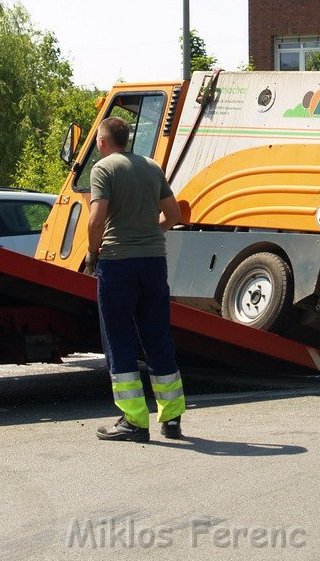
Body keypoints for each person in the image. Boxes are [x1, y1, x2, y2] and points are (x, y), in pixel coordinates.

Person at [87, 116, 186, 442]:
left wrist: (94, 252)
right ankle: (171, 420)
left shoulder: (103, 169)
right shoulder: (150, 166)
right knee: (158, 337)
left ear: (103, 142)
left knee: (120, 339)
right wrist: (148, 233)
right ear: (126, 139)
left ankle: (134, 421)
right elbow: (174, 215)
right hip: (154, 262)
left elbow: (96, 219)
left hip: (118, 263)